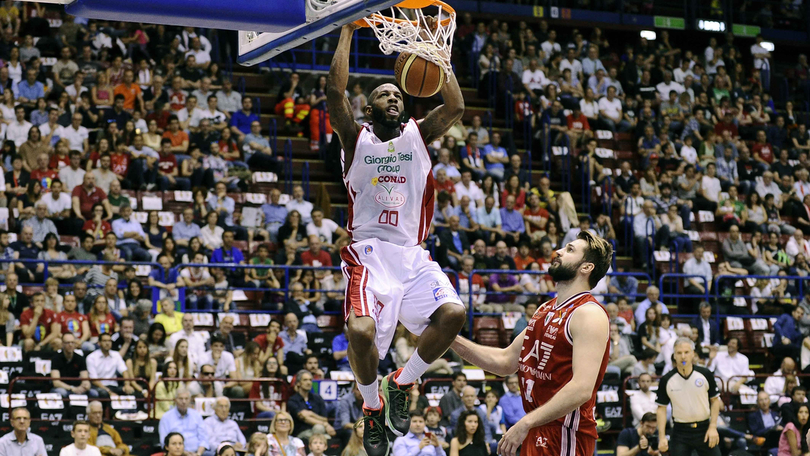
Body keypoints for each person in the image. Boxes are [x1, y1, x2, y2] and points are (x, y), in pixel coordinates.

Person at [327, 23, 467, 455]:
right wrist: (347, 31)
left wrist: (437, 56)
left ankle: (402, 384)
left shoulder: (417, 135)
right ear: (369, 108)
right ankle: (372, 407)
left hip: (411, 254)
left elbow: (456, 106)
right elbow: (333, 93)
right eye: (385, 94)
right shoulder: (356, 139)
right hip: (369, 255)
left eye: (398, 95)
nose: (394, 98)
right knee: (360, 331)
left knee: (454, 314)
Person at [450, 231, 613, 456]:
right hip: (536, 427)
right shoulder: (545, 309)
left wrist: (526, 422)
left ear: (586, 267)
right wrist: (449, 338)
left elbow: (581, 388)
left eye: (570, 250)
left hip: (565, 434)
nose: (559, 251)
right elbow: (505, 361)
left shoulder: (589, 313)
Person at [656, 338, 723, 456]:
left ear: (693, 354)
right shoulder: (666, 380)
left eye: (686, 352)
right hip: (680, 432)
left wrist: (713, 427)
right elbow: (661, 409)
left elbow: (715, 401)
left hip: (704, 429)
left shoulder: (705, 374)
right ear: (674, 356)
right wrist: (661, 437)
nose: (683, 356)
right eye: (679, 353)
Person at [159, 387, 210, 456]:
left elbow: (204, 438)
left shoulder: (197, 415)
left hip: (198, 453)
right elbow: (164, 441)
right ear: (175, 400)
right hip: (176, 453)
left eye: (186, 399)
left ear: (190, 400)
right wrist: (183, 453)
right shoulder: (166, 417)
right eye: (181, 399)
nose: (184, 402)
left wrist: (198, 453)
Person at [287, 370, 336, 441]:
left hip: (320, 430)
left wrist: (311, 414)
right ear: (298, 383)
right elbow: (304, 418)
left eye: (310, 380)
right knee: (320, 430)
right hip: (302, 432)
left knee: (323, 433)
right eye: (305, 380)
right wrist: (325, 424)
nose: (308, 382)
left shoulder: (318, 398)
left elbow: (325, 419)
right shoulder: (293, 400)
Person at [51, 332, 93, 398]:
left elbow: (85, 379)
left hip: (77, 387)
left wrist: (85, 385)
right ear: (62, 344)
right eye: (67, 343)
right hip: (63, 387)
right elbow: (56, 382)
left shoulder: (80, 358)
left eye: (72, 342)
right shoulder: (56, 359)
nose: (70, 345)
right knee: (62, 392)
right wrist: (72, 388)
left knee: (93, 393)